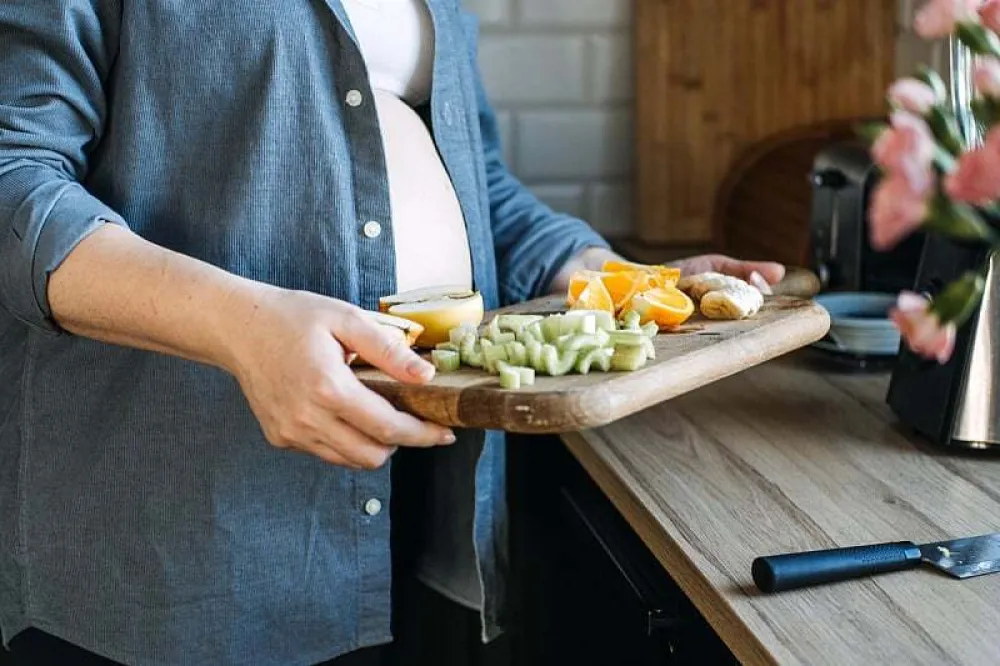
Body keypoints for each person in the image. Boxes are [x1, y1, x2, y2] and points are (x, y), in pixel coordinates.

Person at [0, 1, 785, 665]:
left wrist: (617, 280)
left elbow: (479, 182)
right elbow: (15, 185)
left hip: (413, 499)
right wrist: (242, 330)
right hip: (179, 533)